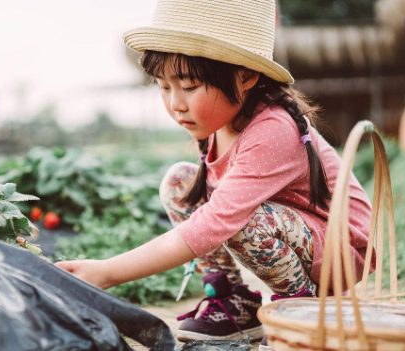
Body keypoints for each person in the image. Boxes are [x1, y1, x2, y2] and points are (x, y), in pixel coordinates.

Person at [56, 0, 374, 350]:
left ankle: (298, 311)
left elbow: (210, 226)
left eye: (189, 86)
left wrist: (108, 271)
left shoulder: (272, 130)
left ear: (246, 76)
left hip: (341, 251)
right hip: (300, 235)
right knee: (180, 183)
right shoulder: (217, 123)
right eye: (164, 86)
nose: (176, 103)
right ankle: (234, 301)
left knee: (240, 220)